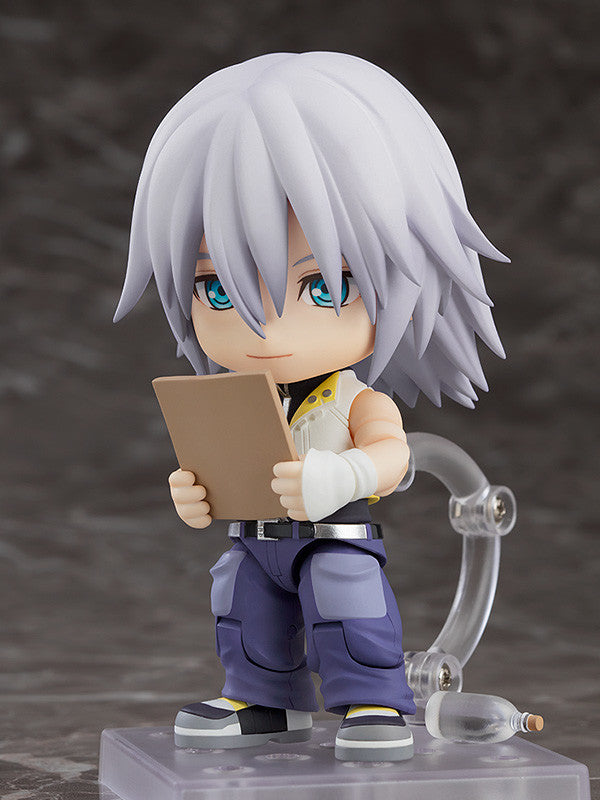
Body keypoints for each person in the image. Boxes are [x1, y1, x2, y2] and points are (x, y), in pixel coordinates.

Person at [114, 51, 508, 761]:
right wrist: (196, 491)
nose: (267, 333)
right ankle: (263, 699)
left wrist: (345, 475)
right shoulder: (242, 398)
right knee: (241, 601)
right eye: (217, 289)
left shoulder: (354, 398)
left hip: (334, 537)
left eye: (323, 287)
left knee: (346, 602)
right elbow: (217, 464)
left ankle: (373, 700)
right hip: (257, 540)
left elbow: (394, 456)